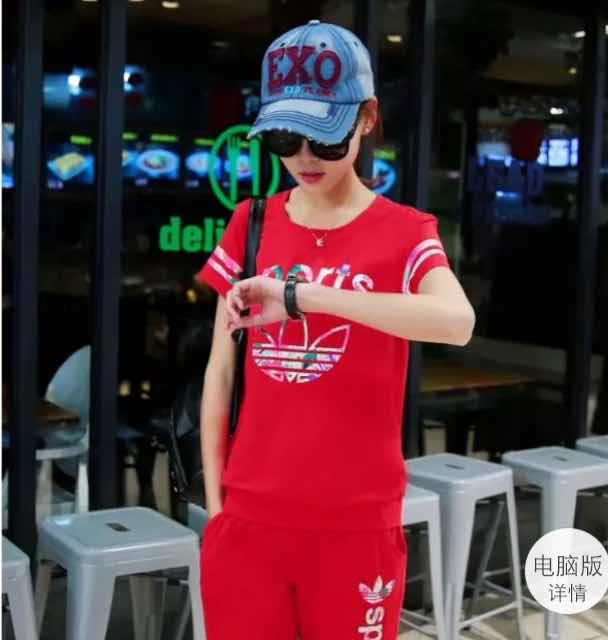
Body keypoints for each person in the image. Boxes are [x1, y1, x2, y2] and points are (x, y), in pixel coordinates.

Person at [195, 20, 476, 639]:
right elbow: (221, 370)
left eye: (324, 138)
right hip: (248, 521)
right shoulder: (252, 222)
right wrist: (217, 508)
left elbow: (457, 322)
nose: (303, 157)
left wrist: (302, 297)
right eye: (285, 138)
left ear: (367, 118)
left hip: (356, 526)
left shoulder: (405, 232)